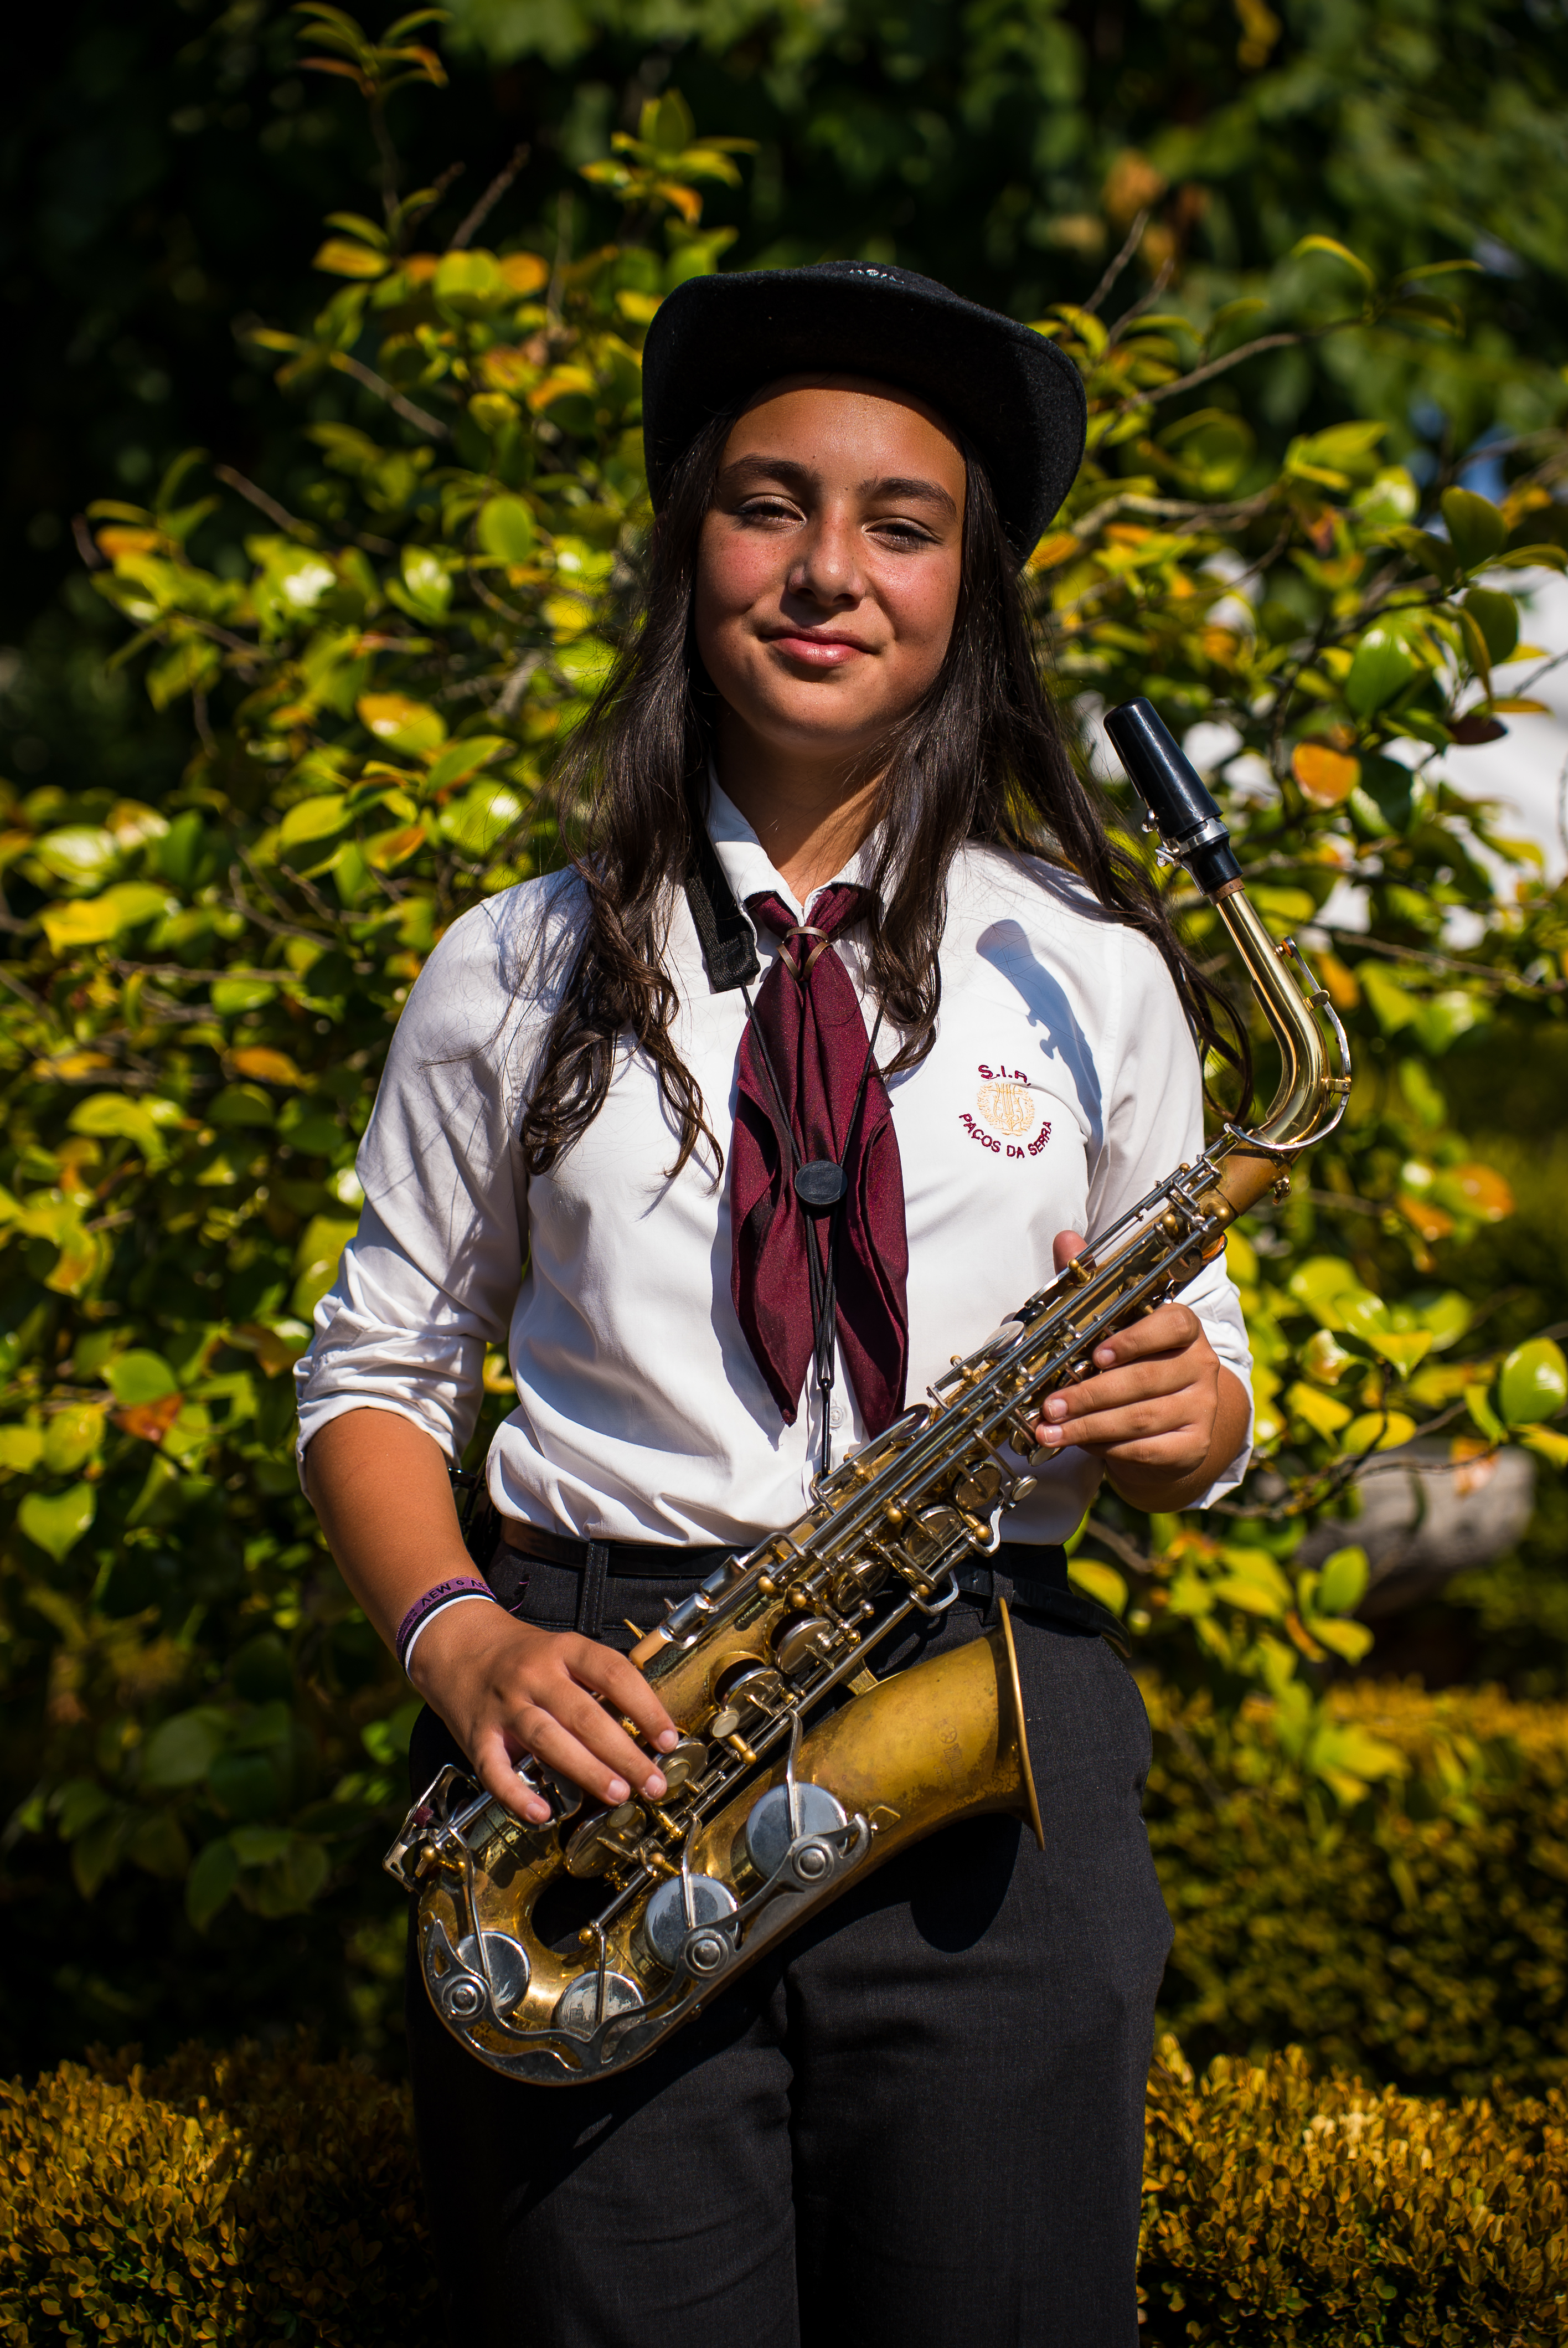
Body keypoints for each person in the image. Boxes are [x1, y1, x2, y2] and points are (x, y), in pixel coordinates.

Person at [297, 260, 1254, 2348]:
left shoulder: (1094, 970)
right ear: (688, 553)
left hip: (989, 1713)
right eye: (768, 506)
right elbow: (370, 1378)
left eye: (902, 526)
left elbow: (1215, 1367)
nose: (830, 571)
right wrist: (463, 1645)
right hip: (606, 1733)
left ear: (970, 595)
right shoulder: (514, 965)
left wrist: (1200, 1417)